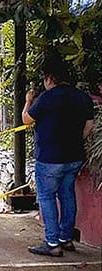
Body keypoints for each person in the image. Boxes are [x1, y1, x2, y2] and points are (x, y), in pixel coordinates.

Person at [23, 54, 94, 257]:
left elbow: (27, 120)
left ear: (49, 78)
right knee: (67, 195)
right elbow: (89, 126)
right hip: (74, 157)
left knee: (46, 197)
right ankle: (66, 238)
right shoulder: (82, 97)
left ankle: (52, 242)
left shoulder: (47, 98)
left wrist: (28, 101)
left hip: (49, 158)